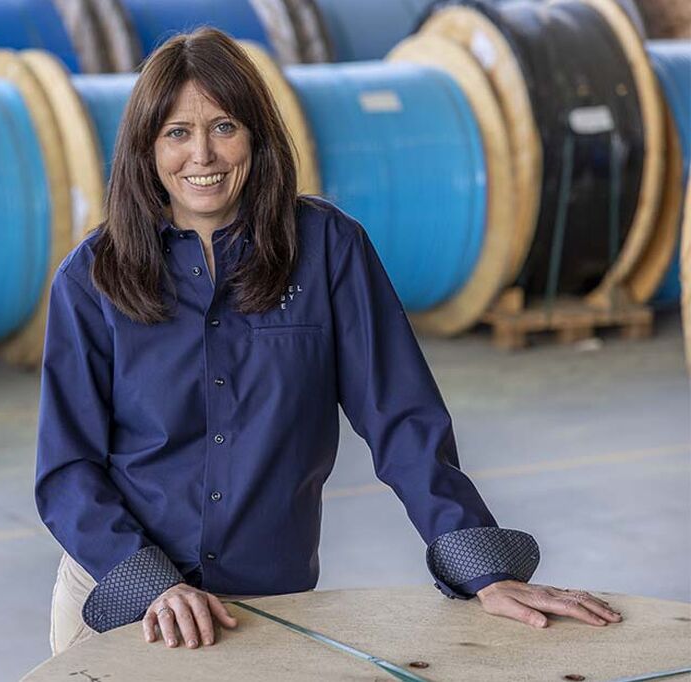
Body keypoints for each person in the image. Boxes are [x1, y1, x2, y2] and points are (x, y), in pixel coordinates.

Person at [34, 27, 621, 655]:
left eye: (224, 126)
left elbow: (402, 418)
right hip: (129, 605)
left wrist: (484, 568)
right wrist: (150, 584)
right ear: (145, 147)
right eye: (176, 132)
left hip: (271, 609)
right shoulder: (93, 277)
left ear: (257, 135)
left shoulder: (327, 250)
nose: (201, 154)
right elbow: (67, 469)